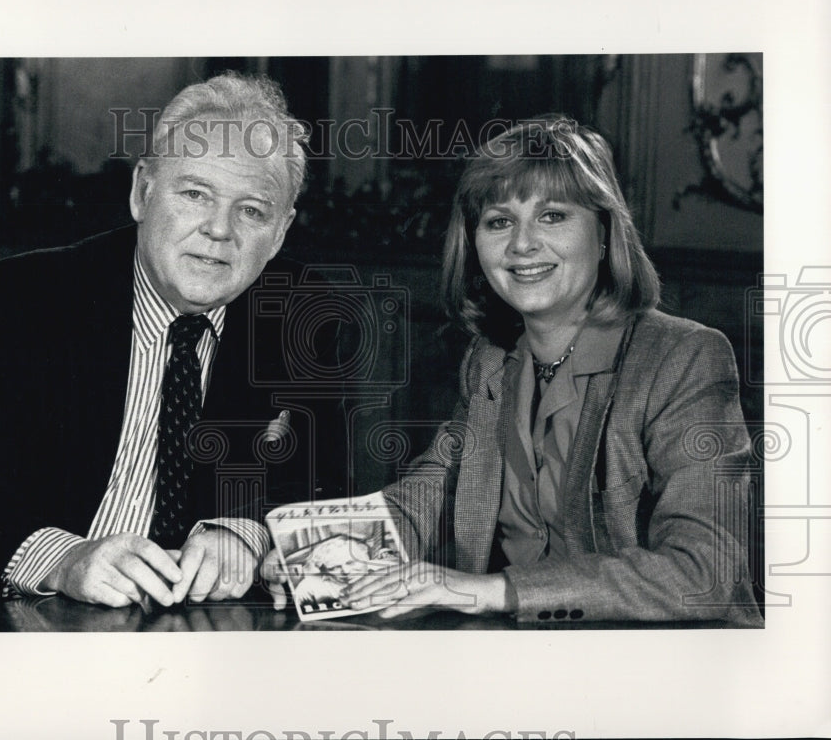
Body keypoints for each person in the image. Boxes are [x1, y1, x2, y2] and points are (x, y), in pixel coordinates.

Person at [0, 72, 347, 619]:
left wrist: (246, 531)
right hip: (39, 622)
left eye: (252, 210)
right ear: (143, 191)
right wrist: (61, 559)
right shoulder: (21, 299)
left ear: (281, 231)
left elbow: (322, 482)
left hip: (204, 635)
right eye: (195, 194)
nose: (219, 230)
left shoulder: (303, 312)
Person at [312, 115, 761, 626]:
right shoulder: (489, 362)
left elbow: (704, 573)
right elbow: (419, 502)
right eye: (499, 221)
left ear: (606, 232)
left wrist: (495, 591)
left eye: (552, 216)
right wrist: (297, 556)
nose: (522, 244)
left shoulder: (685, 358)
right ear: (475, 244)